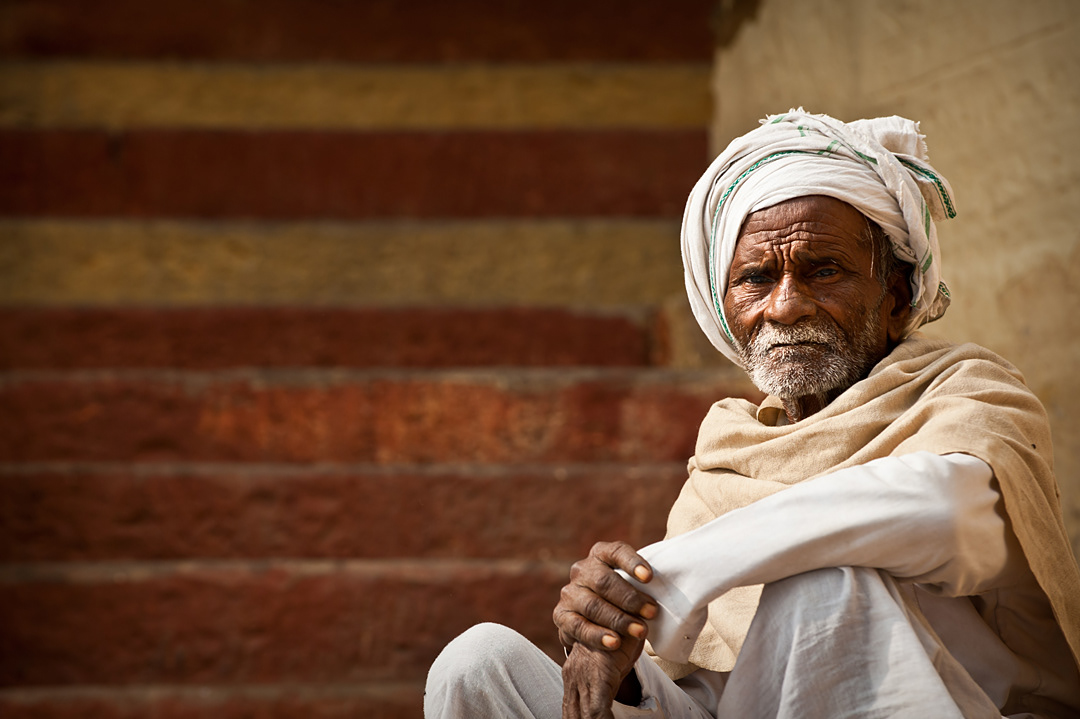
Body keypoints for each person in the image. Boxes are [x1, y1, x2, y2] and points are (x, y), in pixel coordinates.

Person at [423, 110, 1080, 718]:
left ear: (897, 298)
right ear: (728, 307)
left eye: (824, 271)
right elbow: (714, 688)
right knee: (477, 662)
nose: (786, 305)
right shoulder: (730, 451)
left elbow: (943, 512)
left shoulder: (969, 390)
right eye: (757, 279)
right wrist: (623, 659)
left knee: (821, 585)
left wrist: (662, 578)